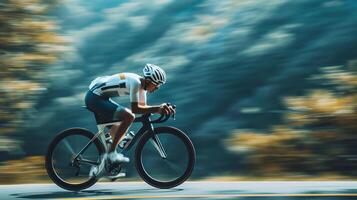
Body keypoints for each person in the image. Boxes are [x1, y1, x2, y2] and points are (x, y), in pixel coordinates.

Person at [85, 63, 175, 178]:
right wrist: (158, 108)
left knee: (122, 133)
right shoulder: (136, 83)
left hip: (102, 98)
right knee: (129, 116)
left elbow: (144, 109)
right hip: (94, 98)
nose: (157, 88)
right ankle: (111, 154)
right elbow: (136, 109)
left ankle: (105, 168)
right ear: (148, 80)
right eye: (156, 84)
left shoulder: (143, 89)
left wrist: (164, 108)